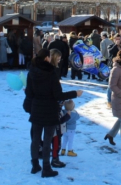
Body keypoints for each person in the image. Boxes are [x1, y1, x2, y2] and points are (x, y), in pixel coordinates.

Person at [25, 49, 82, 178]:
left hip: (36, 108)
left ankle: (35, 165)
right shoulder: (51, 73)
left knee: (35, 138)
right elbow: (58, 95)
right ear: (46, 58)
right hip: (49, 110)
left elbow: (29, 93)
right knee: (47, 139)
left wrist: (29, 105)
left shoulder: (32, 72)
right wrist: (75, 94)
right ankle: (46, 168)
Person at [104, 50, 121, 151]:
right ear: (120, 59)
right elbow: (112, 85)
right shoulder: (116, 69)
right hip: (119, 98)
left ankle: (111, 134)